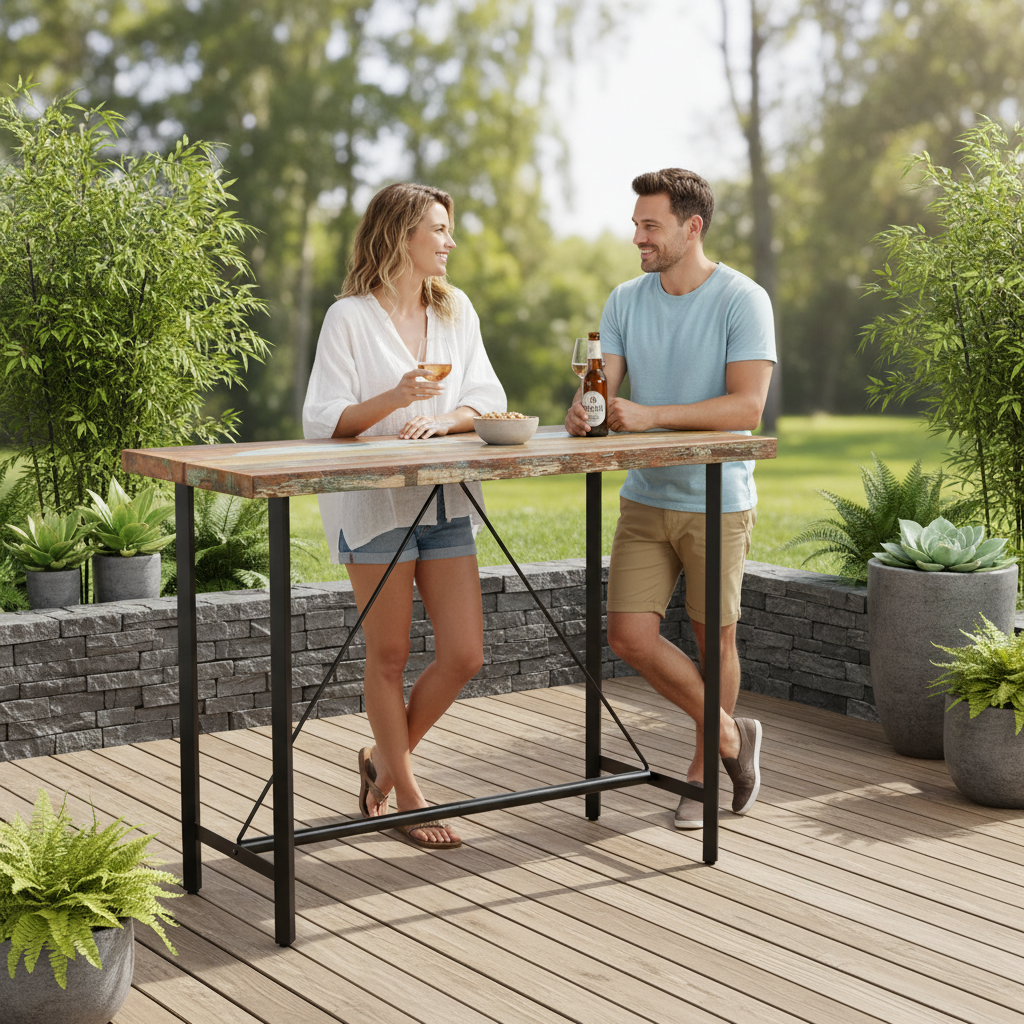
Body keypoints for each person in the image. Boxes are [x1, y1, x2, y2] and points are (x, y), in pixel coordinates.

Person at [565, 168, 776, 829]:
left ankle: (702, 771)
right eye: (636, 225)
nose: (638, 237)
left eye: (651, 225)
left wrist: (651, 416)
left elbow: (747, 407)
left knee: (716, 639)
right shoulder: (624, 300)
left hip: (717, 496)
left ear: (693, 226)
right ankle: (732, 736)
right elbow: (603, 392)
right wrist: (583, 411)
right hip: (646, 495)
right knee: (628, 636)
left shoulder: (742, 299)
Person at [303, 182, 506, 849]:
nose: (451, 241)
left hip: (444, 497)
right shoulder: (348, 319)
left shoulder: (455, 308)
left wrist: (448, 419)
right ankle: (408, 798)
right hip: (374, 505)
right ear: (401, 235)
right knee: (388, 655)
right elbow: (324, 420)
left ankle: (381, 763)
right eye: (439, 229)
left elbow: (484, 396)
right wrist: (395, 396)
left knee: (464, 654)